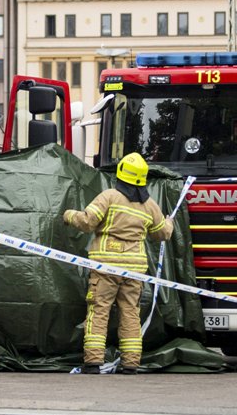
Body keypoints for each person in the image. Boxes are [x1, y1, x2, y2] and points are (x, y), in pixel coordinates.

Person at [62, 153, 174, 374]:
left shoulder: (109, 196)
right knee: (130, 313)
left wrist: (68, 215)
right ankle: (131, 364)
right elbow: (163, 233)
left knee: (99, 310)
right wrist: (169, 221)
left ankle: (93, 362)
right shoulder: (149, 205)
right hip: (135, 270)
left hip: (106, 266)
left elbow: (87, 222)